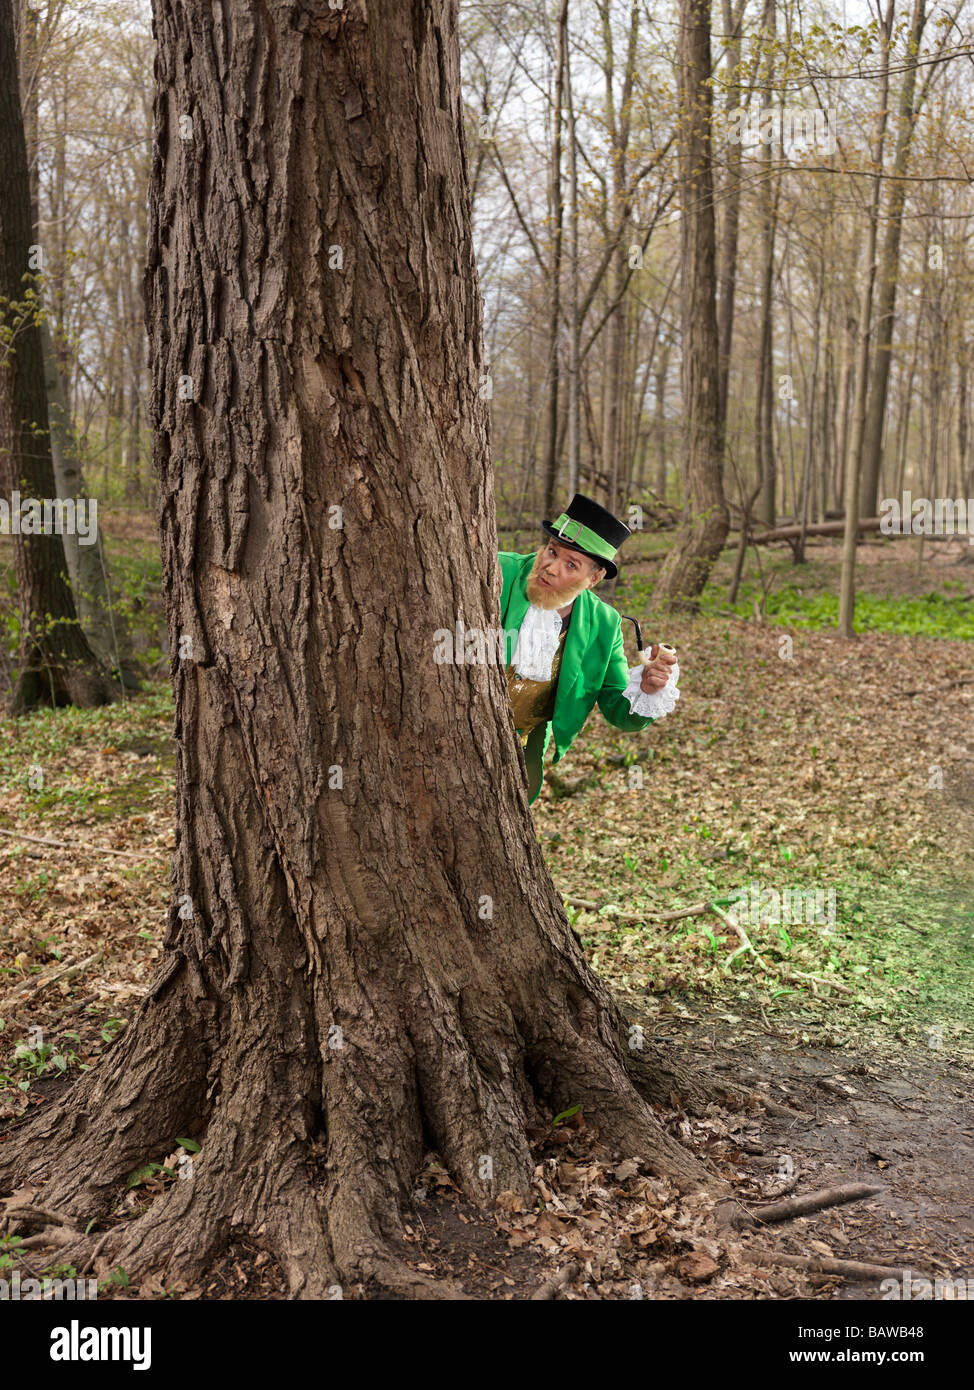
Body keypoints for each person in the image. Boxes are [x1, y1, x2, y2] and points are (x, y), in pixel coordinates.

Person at [499, 493, 680, 804]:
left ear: (594, 578)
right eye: (552, 551)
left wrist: (648, 688)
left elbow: (618, 709)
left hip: (515, 757)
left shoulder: (604, 625)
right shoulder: (501, 571)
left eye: (571, 564)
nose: (551, 568)